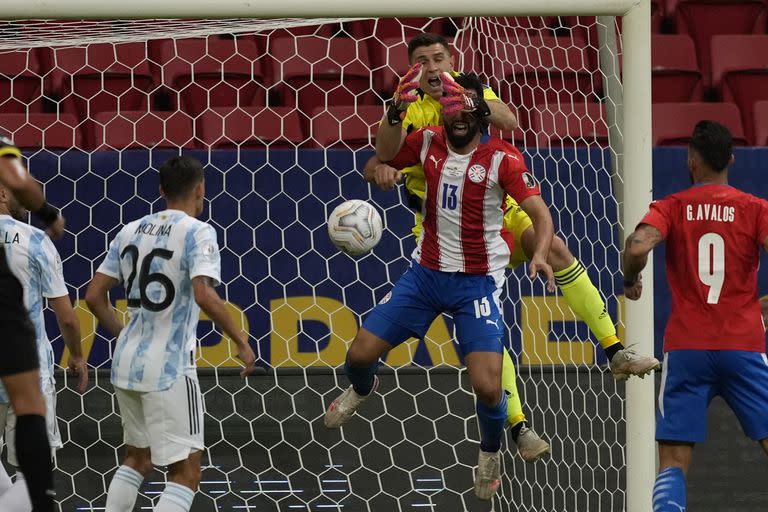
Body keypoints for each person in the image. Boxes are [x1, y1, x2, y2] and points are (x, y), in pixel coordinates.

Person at [366, 32, 660, 462]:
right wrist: (381, 170)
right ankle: (520, 427)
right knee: (484, 319)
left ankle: (614, 350)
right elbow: (379, 156)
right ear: (412, 67)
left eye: (438, 58)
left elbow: (509, 120)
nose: (432, 67)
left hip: (497, 212)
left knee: (554, 248)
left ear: (451, 60)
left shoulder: (467, 86)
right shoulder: (404, 105)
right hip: (444, 232)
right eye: (422, 60)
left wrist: (471, 99)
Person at [326, 73, 556, 500]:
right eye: (452, 110)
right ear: (444, 115)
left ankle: (490, 454)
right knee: (357, 356)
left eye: (467, 109)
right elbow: (379, 159)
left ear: (479, 113)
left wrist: (539, 254)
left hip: (476, 285)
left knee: (488, 387)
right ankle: (363, 387)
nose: (459, 118)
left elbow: (540, 216)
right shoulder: (429, 140)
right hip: (425, 277)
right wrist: (384, 158)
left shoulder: (502, 159)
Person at [85, 156, 256, 512]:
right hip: (170, 369)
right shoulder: (198, 231)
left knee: (136, 458)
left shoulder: (129, 230)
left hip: (126, 364)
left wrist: (123, 334)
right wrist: (240, 340)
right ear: (200, 190)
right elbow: (203, 293)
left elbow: (93, 295)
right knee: (186, 474)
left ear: (161, 191)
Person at [623, 120, 768, 512]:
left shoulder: (672, 206)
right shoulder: (755, 209)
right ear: (731, 160)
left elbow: (638, 246)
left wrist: (631, 277)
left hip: (687, 350)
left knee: (672, 461)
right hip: (744, 347)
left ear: (691, 161)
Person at [0, 182, 87, 511]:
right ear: (3, 193)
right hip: (28, 367)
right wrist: (77, 355)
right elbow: (66, 316)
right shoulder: (36, 241)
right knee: (32, 478)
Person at [0, 135, 66, 512]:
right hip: (15, 343)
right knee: (28, 409)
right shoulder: (34, 239)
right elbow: (19, 178)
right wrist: (49, 213)